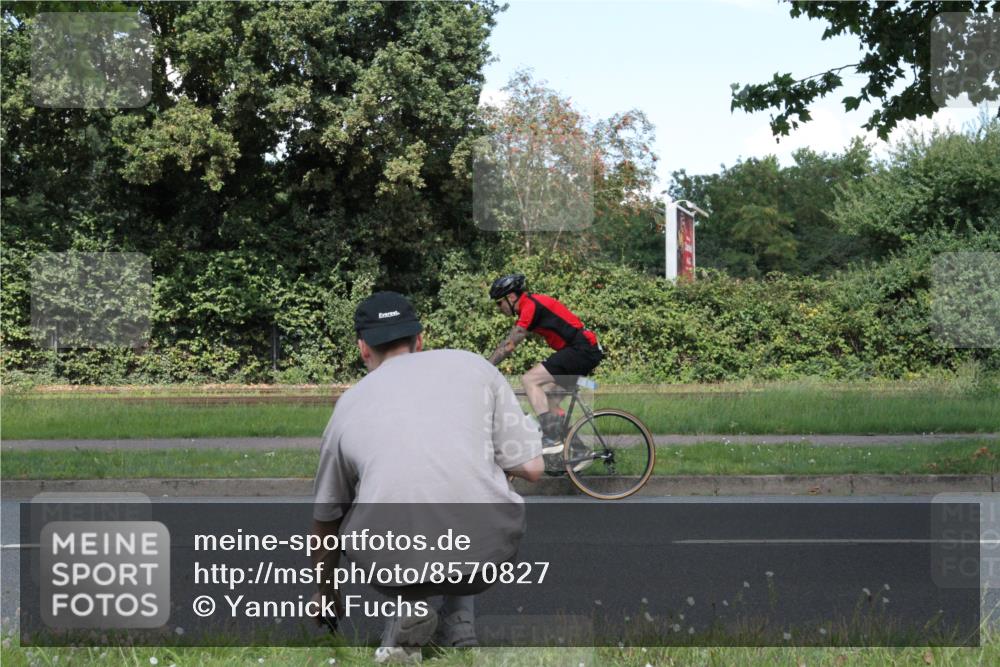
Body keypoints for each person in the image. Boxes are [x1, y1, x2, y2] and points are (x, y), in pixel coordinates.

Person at [311, 290, 543, 664]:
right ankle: (461, 623)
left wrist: (325, 591)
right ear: (420, 339)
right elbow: (532, 468)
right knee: (491, 472)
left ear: (363, 349)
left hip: (392, 567)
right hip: (483, 559)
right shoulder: (474, 366)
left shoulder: (348, 404)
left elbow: (325, 519)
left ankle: (407, 613)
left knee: (357, 498)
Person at [487, 274, 603, 458]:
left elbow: (510, 343)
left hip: (581, 349)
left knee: (529, 380)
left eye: (498, 302)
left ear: (510, 297)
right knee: (548, 399)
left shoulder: (530, 305)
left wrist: (486, 365)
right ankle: (580, 451)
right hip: (583, 351)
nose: (498, 307)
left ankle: (552, 438)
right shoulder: (530, 304)